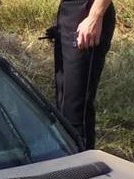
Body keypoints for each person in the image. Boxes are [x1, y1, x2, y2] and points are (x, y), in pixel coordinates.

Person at [53, 0, 116, 149]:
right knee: (63, 104)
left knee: (76, 110)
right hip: (68, 12)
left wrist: (95, 16)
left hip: (87, 13)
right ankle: (66, 160)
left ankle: (82, 163)